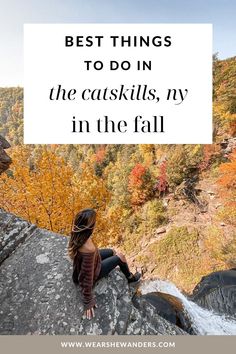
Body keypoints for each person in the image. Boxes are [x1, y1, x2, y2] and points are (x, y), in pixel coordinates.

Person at [67, 208, 141, 320]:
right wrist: (88, 301)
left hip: (94, 260)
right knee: (120, 256)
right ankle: (130, 278)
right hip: (95, 271)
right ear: (90, 227)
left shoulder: (77, 233)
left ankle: (119, 263)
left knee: (111, 251)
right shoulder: (89, 249)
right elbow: (85, 277)